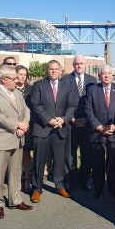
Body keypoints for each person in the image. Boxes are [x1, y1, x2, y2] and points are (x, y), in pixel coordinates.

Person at [0, 65, 32, 219]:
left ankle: (15, 200)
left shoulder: (17, 92)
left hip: (18, 138)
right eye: (14, 78)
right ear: (3, 79)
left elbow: (26, 110)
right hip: (1, 139)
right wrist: (17, 125)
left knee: (16, 172)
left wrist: (24, 126)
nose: (17, 81)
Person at [29, 60, 76, 203]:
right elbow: (35, 105)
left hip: (60, 128)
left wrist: (64, 119)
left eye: (56, 69)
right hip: (43, 128)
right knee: (39, 160)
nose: (54, 71)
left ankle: (59, 185)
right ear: (47, 71)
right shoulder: (38, 85)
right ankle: (37, 188)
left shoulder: (67, 85)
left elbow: (72, 104)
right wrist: (49, 120)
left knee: (60, 159)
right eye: (51, 69)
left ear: (60, 71)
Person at [85, 65, 115, 199]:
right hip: (97, 134)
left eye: (109, 73)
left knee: (113, 164)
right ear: (99, 76)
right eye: (103, 73)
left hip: (114, 133)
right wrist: (99, 127)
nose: (106, 75)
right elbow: (88, 111)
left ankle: (113, 189)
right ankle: (98, 189)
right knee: (98, 164)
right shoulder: (92, 89)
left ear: (113, 75)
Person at [62, 55, 97, 191]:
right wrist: (71, 118)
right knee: (70, 154)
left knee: (86, 154)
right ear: (73, 64)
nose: (79, 66)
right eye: (77, 63)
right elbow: (62, 101)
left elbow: (95, 102)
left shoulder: (92, 80)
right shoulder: (65, 80)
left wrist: (88, 119)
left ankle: (84, 179)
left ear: (85, 64)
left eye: (81, 63)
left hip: (88, 123)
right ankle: (71, 181)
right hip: (71, 123)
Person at [15, 65, 33, 194]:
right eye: (20, 74)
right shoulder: (10, 89)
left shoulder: (31, 90)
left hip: (28, 127)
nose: (22, 76)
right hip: (14, 126)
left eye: (24, 74)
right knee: (15, 155)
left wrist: (27, 124)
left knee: (26, 153)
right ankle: (15, 180)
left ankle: (27, 179)